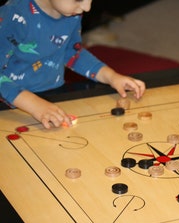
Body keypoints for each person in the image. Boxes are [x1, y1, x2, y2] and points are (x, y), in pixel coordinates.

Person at [0, 0, 146, 128]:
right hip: (10, 101)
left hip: (52, 95)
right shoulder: (14, 16)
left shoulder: (72, 12)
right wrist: (34, 104)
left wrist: (111, 76)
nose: (87, 7)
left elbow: (71, 52)